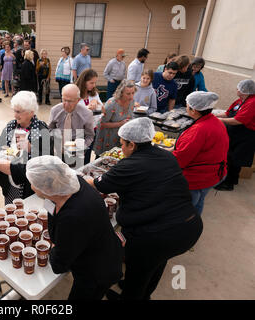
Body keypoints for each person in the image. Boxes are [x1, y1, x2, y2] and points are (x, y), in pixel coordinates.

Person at [0, 155, 123, 299]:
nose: (30, 184)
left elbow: (58, 264)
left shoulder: (72, 217)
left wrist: (54, 244)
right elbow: (17, 170)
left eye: (32, 183)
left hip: (98, 269)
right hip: (94, 247)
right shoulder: (69, 184)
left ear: (46, 188)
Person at [87, 117, 203, 300]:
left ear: (132, 145)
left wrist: (76, 178)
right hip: (189, 226)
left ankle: (132, 296)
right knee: (156, 264)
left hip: (157, 235)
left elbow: (98, 184)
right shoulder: (166, 155)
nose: (121, 148)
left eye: (122, 144)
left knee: (138, 272)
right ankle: (143, 292)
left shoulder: (129, 165)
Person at [172, 92, 229, 215]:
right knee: (198, 202)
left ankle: (185, 230)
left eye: (187, 105)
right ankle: (194, 223)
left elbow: (180, 160)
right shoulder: (216, 122)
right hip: (215, 173)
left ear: (194, 111)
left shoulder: (199, 130)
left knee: (184, 209)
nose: (186, 107)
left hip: (198, 178)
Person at [0, 91, 53, 203]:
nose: (15, 115)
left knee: (27, 213)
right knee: (11, 210)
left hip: (29, 187)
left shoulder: (42, 130)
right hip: (10, 182)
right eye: (14, 111)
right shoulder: (11, 125)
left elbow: (48, 160)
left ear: (31, 112)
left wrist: (31, 149)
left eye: (19, 112)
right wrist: (3, 153)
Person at [214, 79, 255, 191]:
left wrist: (220, 120)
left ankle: (229, 183)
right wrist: (214, 115)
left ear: (245, 91)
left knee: (235, 159)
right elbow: (228, 113)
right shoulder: (240, 101)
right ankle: (233, 179)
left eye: (238, 88)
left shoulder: (252, 102)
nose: (237, 89)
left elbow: (238, 120)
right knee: (230, 156)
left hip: (245, 135)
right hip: (235, 134)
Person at [48, 84, 95, 163]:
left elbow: (90, 136)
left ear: (78, 100)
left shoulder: (87, 114)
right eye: (64, 100)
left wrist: (81, 147)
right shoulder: (55, 110)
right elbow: (49, 129)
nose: (66, 104)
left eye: (70, 101)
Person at [93, 80, 135, 155]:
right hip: (107, 138)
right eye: (128, 94)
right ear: (121, 93)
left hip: (121, 137)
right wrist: (120, 124)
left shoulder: (132, 101)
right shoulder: (112, 103)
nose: (131, 96)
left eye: (133, 93)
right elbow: (101, 123)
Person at [76, 69, 103, 164]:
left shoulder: (94, 93)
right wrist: (87, 108)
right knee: (79, 156)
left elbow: (102, 109)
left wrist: (97, 102)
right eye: (91, 83)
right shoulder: (75, 94)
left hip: (93, 129)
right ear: (84, 81)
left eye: (95, 82)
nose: (94, 85)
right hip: (79, 131)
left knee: (88, 154)